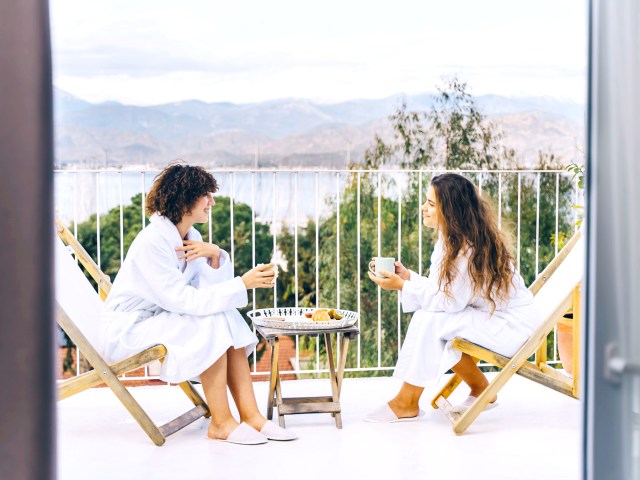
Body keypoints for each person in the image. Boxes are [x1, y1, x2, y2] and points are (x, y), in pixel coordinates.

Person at [100, 162, 297, 444]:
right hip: (130, 328)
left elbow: (208, 294)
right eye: (206, 195)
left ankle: (252, 416)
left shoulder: (192, 237)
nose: (212, 201)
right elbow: (182, 300)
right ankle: (221, 422)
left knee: (224, 314)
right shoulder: (152, 242)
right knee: (211, 319)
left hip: (162, 317)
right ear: (185, 200)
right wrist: (242, 283)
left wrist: (215, 255)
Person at [364, 173, 539, 422]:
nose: (423, 208)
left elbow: (449, 302)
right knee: (433, 320)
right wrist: (408, 278)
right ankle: (479, 389)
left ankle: (407, 402)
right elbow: (445, 292)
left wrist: (402, 286)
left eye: (431, 204)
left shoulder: (467, 249)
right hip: (492, 319)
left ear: (451, 210)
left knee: (431, 321)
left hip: (511, 328)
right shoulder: (452, 240)